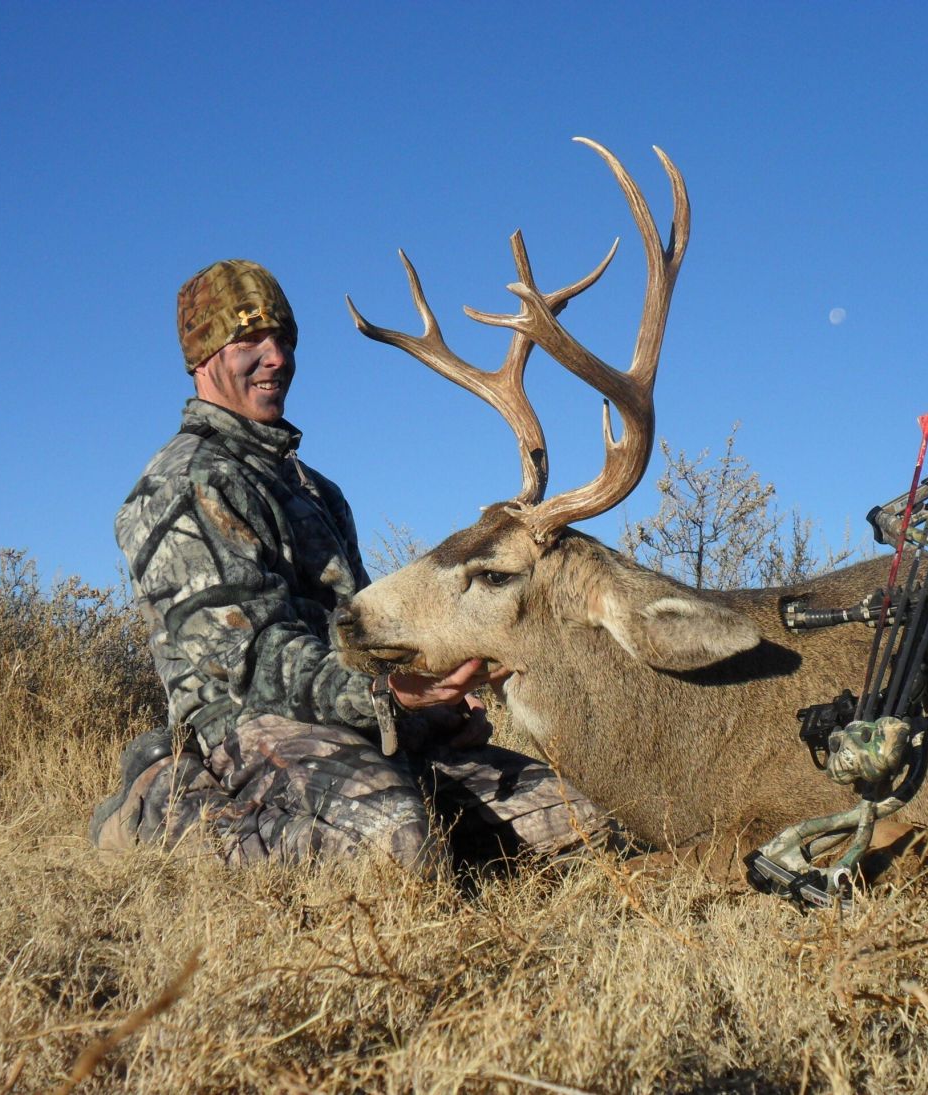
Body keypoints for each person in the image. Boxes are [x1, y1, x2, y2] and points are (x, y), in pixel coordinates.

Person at [89, 259, 605, 874]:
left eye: (283, 340)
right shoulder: (182, 484)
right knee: (398, 848)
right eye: (249, 341)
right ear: (203, 360)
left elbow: (354, 635)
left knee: (587, 819)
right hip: (246, 731)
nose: (276, 357)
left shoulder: (314, 489)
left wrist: (433, 706)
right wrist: (387, 694)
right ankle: (158, 811)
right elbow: (250, 666)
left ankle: (421, 825)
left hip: (360, 722)